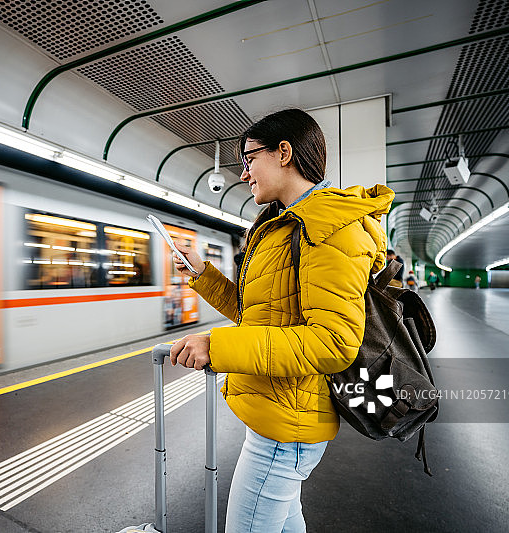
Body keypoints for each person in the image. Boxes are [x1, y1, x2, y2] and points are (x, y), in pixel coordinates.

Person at [169, 108, 394, 533]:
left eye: (249, 159)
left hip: (288, 424)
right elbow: (265, 315)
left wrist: (218, 347)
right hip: (278, 413)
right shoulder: (285, 226)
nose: (244, 173)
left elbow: (332, 342)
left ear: (283, 152)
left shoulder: (329, 229)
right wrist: (204, 277)